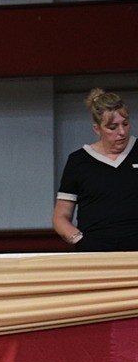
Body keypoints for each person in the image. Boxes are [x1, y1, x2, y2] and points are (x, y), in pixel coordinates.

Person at [53, 88, 137, 252]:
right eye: (112, 127)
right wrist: (80, 240)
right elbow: (60, 216)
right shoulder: (78, 161)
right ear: (97, 129)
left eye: (125, 124)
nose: (122, 132)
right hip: (95, 253)